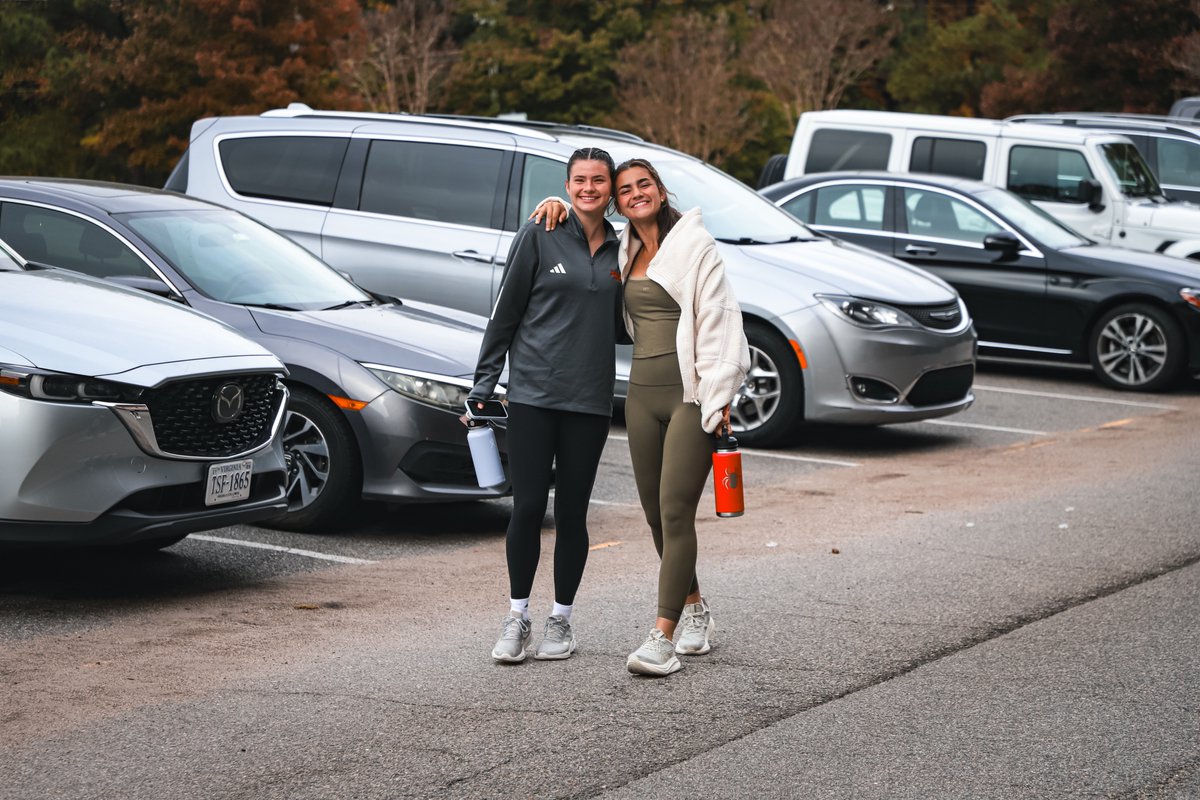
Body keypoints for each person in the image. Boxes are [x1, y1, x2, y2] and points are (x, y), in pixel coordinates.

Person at [534, 159, 749, 676]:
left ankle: (662, 637)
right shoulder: (623, 249)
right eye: (625, 189)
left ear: (660, 190)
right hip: (640, 396)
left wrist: (718, 400)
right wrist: (560, 209)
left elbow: (721, 325)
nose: (635, 195)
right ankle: (695, 607)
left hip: (690, 398)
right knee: (655, 516)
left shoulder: (696, 247)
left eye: (643, 185)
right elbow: (581, 244)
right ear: (617, 200)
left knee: (676, 512)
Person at [467, 147, 624, 664]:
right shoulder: (540, 232)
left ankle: (562, 621)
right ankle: (517, 618)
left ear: (612, 188)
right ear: (567, 184)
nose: (588, 189)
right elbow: (504, 314)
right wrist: (483, 385)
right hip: (534, 395)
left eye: (598, 180)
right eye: (578, 180)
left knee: (574, 513)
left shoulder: (625, 252)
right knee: (529, 507)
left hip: (590, 402)